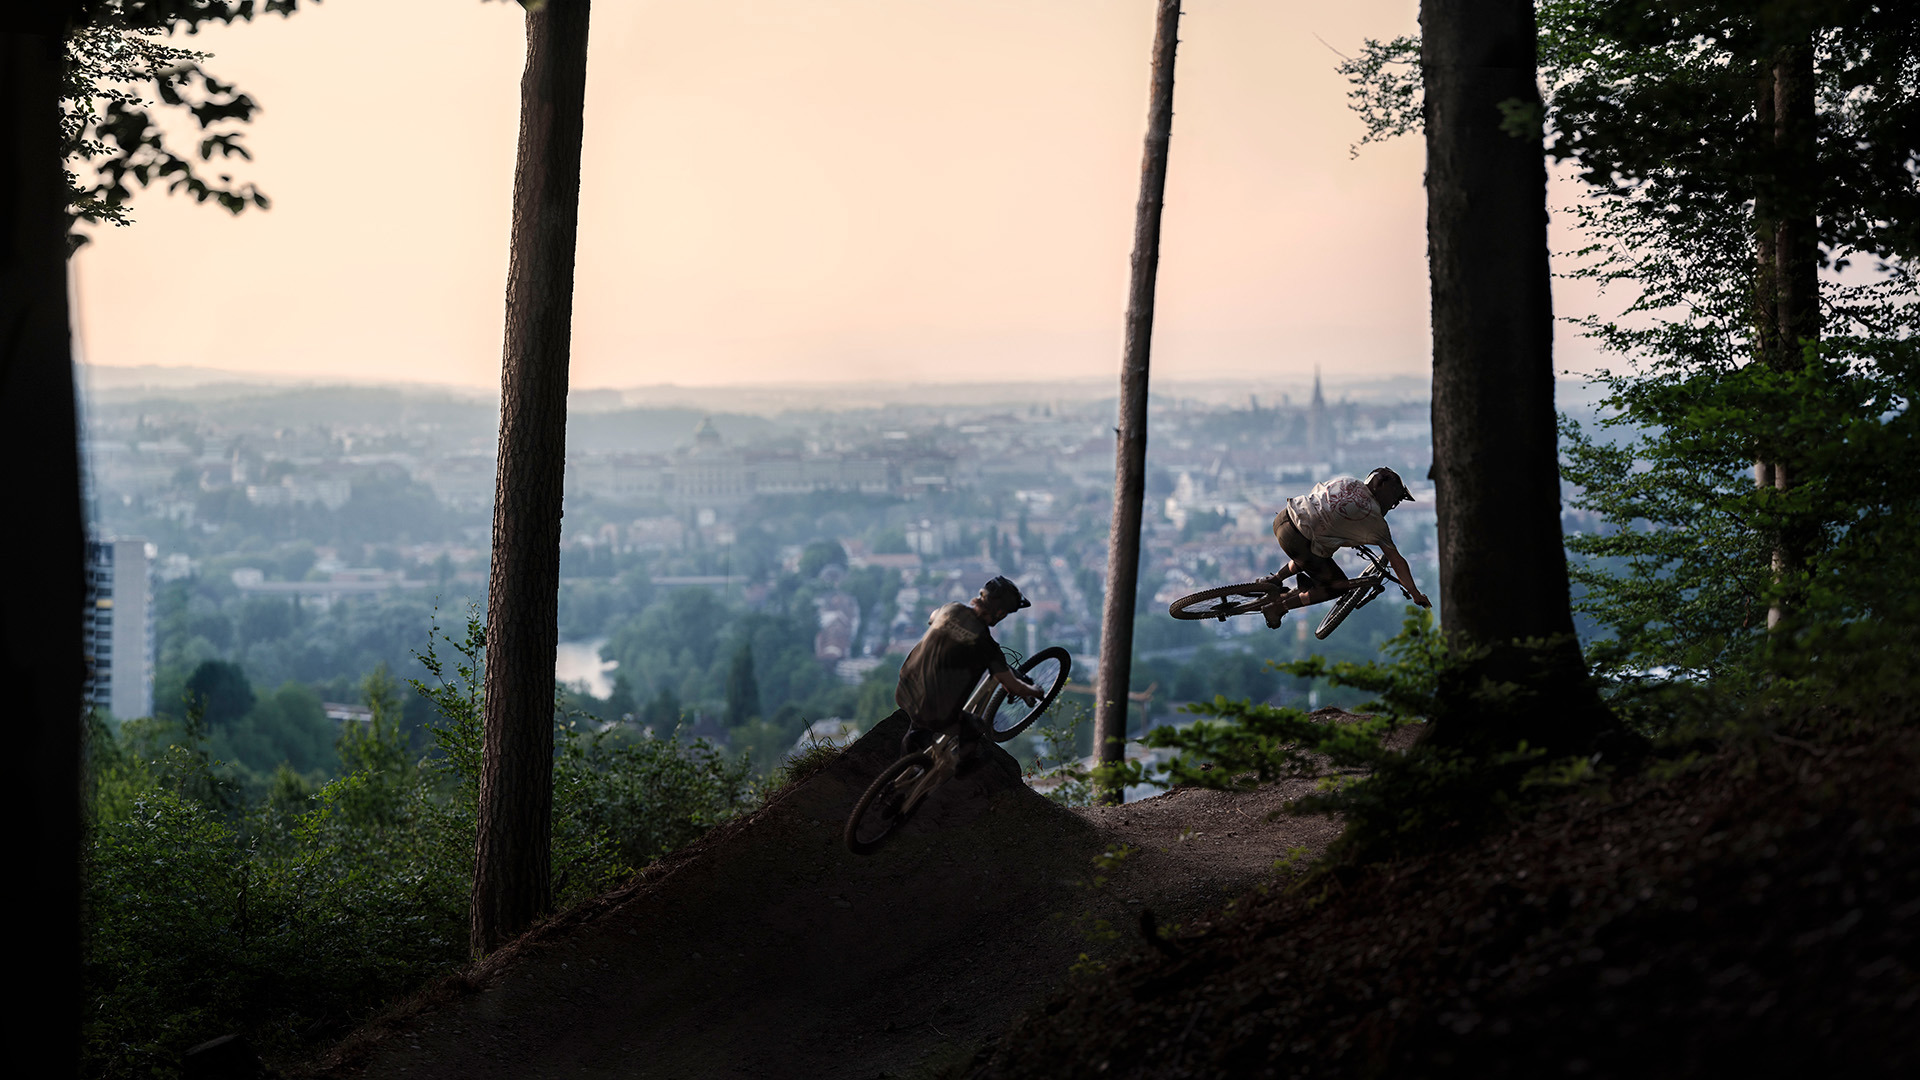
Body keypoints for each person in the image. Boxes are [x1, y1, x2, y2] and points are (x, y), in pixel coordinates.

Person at [1261, 467, 1432, 627]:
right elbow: (1397, 562)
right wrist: (1415, 594)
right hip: (1299, 539)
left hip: (1285, 519)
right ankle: (1279, 607)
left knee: (1317, 550)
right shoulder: (1374, 519)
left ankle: (1275, 579)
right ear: (1389, 495)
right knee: (1338, 585)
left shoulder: (1348, 481)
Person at [894, 575, 1043, 756]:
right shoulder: (986, 645)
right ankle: (960, 772)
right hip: (934, 712)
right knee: (976, 728)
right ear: (1001, 614)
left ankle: (903, 770)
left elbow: (933, 617)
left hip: (905, 688)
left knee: (919, 726)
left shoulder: (952, 609)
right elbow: (1012, 685)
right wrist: (1035, 690)